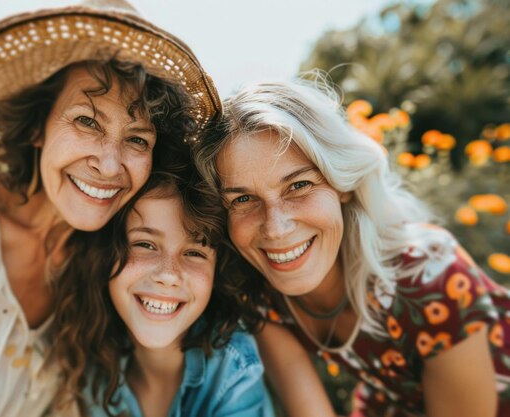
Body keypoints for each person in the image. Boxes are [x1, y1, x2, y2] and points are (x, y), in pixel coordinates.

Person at [0, 1, 221, 416]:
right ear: (37, 125)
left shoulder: (115, 270)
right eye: (87, 121)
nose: (110, 165)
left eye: (137, 140)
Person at [194, 79, 510, 417]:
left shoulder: (430, 276)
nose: (275, 227)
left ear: (343, 182)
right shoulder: (260, 293)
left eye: (299, 185)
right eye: (242, 199)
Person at [80, 169, 274, 417]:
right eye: (145, 245)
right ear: (106, 254)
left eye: (195, 253)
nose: (169, 275)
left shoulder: (232, 366)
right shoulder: (85, 358)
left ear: (217, 273)